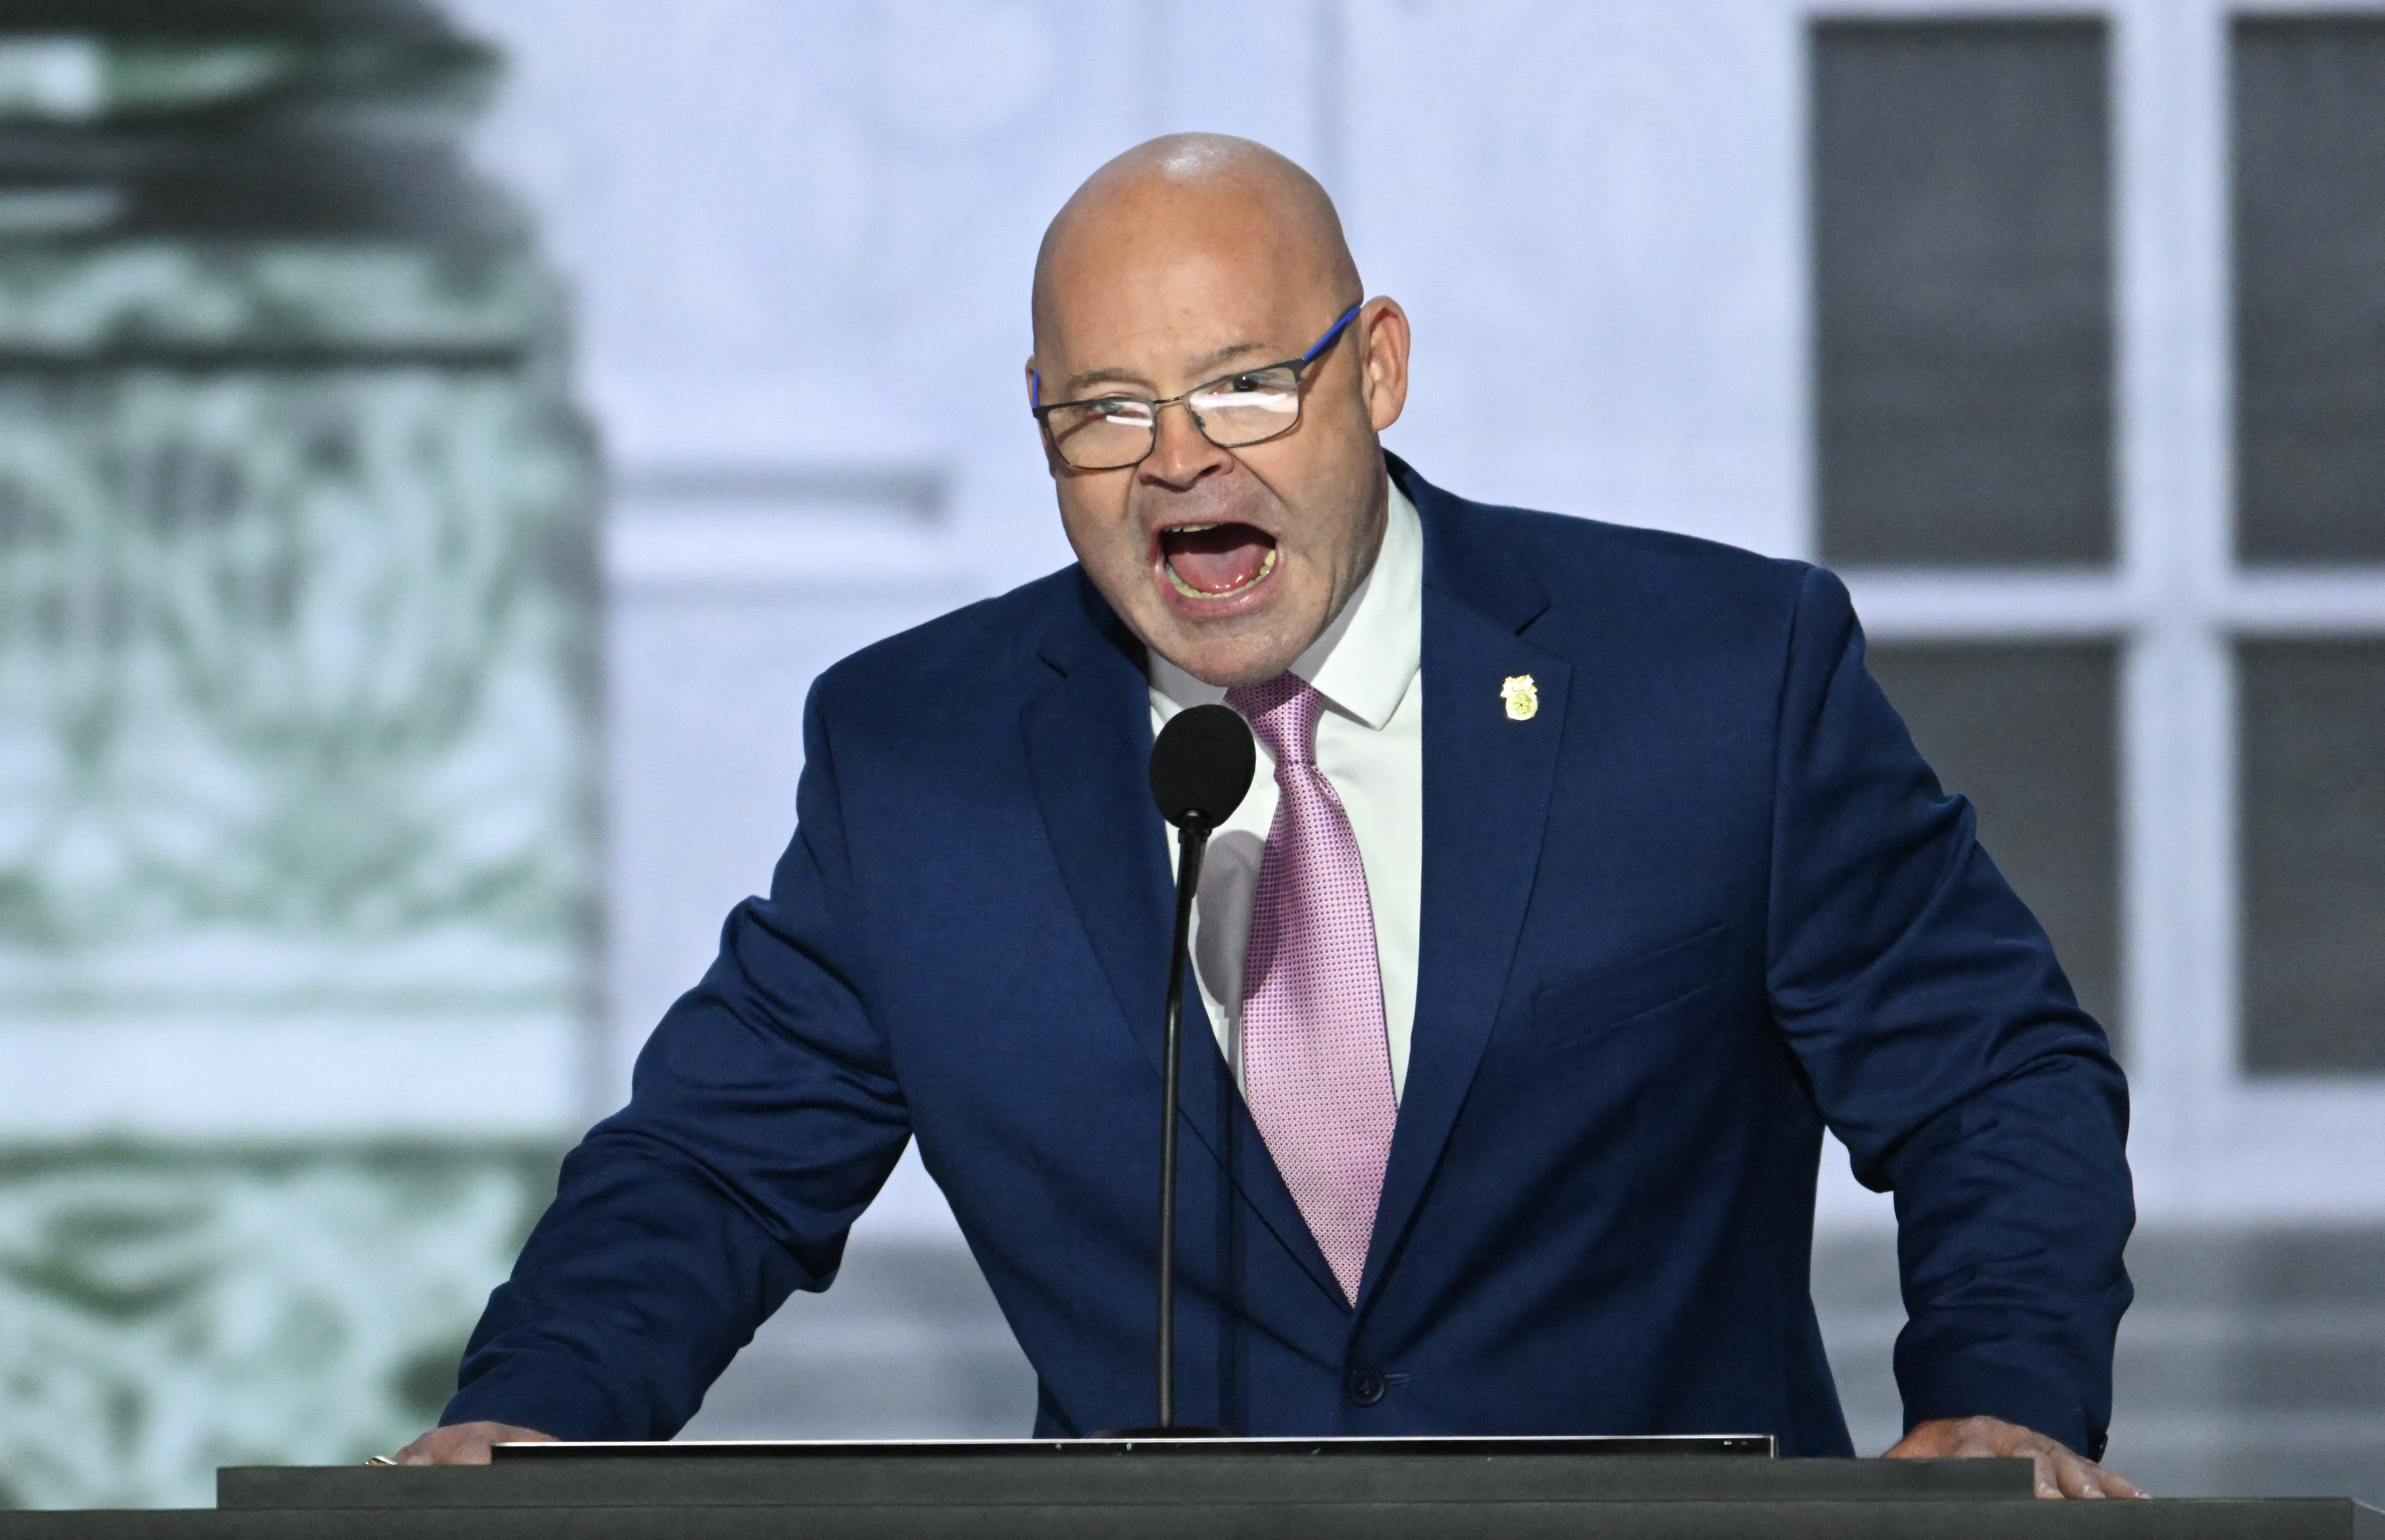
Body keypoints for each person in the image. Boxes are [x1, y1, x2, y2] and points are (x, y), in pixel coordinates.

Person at [399, 135, 2141, 1499]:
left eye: (1245, 382)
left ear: (1375, 367)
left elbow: (1991, 1076)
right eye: (1108, 411)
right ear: (1041, 426)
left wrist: (1996, 1408)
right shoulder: (916, 759)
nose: (1181, 461)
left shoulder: (1714, 678)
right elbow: (712, 1164)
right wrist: (528, 1418)